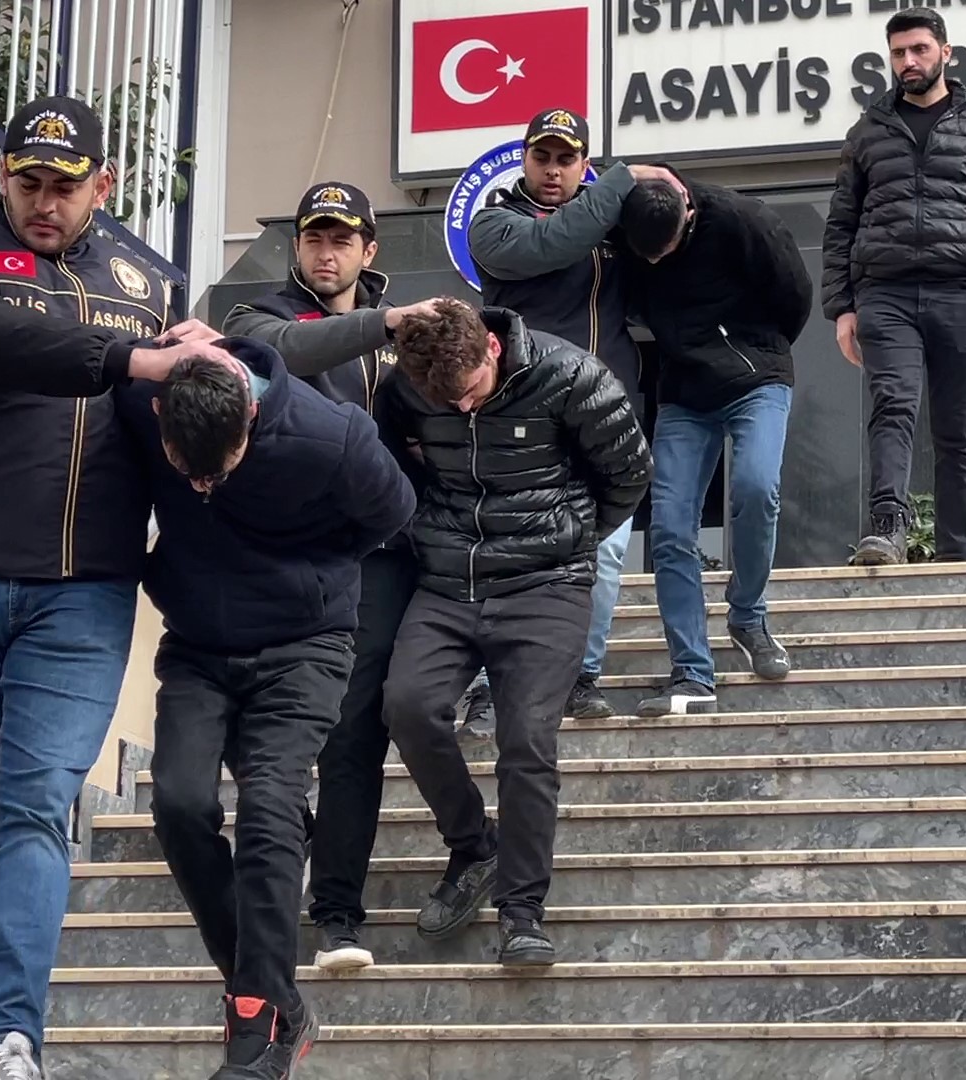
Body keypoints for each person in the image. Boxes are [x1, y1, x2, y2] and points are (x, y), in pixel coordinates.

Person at [0, 94, 206, 1080]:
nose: (44, 202)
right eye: (27, 181)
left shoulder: (149, 290)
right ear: (2, 175)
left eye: (65, 186)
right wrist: (131, 357)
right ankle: (0, 1036)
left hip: (84, 591)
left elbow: (180, 429)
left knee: (32, 808)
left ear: (103, 186)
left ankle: (4, 1041)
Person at [115, 338, 415, 1080]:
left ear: (250, 414)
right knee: (179, 805)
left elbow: (394, 511)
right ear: (161, 414)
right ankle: (266, 988)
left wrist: (313, 569)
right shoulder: (138, 403)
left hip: (304, 642)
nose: (203, 486)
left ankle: (259, 1021)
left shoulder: (333, 438)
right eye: (189, 472)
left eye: (220, 470)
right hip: (198, 645)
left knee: (271, 805)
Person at [376, 299, 649, 965]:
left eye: (471, 390)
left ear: (492, 348)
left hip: (546, 584)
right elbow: (390, 463)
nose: (463, 406)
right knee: (407, 705)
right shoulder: (406, 385)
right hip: (448, 578)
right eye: (448, 401)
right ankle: (474, 847)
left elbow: (629, 474)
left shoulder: (572, 376)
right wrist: (425, 528)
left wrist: (568, 537)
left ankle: (522, 912)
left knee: (526, 737)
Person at [219, 181, 440, 972]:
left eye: (342, 239)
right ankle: (293, 832)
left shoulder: (404, 336)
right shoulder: (255, 318)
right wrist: (386, 325)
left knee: (352, 736)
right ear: (297, 246)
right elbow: (283, 355)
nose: (326, 251)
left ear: (368, 250)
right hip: (274, 553)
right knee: (244, 723)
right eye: (314, 237)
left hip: (375, 557)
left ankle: (338, 914)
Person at [468, 107, 681, 721]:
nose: (553, 170)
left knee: (605, 554)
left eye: (567, 159)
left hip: (604, 410)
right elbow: (551, 244)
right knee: (508, 548)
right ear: (524, 159)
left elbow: (663, 258)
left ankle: (581, 676)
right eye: (543, 157)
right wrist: (622, 178)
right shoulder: (495, 223)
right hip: (520, 411)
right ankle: (487, 687)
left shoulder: (610, 227)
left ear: (583, 164)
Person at [822, 7, 966, 566]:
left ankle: (956, 555)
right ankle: (887, 532)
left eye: (919, 49)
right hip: (885, 294)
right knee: (892, 407)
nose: (909, 61)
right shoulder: (867, 132)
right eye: (899, 52)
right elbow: (840, 224)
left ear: (945, 53)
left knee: (956, 429)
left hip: (962, 290)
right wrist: (842, 307)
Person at [616, 171, 812, 718]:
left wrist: (753, 348)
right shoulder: (628, 224)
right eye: (647, 256)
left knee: (756, 487)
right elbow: (591, 180)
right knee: (669, 527)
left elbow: (795, 295)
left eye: (666, 251)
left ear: (688, 214)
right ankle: (692, 672)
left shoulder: (742, 220)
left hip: (757, 375)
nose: (656, 263)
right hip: (684, 392)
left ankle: (748, 616)